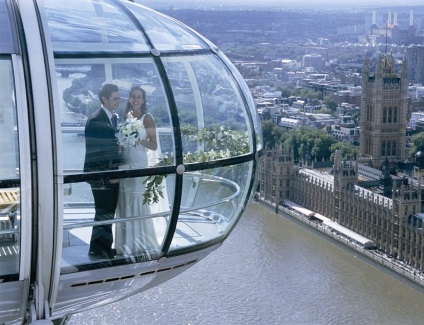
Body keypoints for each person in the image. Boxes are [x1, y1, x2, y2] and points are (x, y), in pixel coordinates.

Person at [115, 86, 159, 257]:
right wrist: (124, 140)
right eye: (133, 96)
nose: (136, 100)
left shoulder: (148, 119)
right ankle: (126, 242)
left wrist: (138, 139)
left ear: (143, 99)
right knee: (125, 198)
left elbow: (154, 145)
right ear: (129, 98)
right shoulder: (127, 116)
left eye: (139, 97)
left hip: (139, 161)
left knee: (138, 199)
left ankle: (140, 243)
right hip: (126, 160)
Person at [84, 83, 122, 260]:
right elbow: (100, 152)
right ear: (104, 99)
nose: (118, 102)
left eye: (119, 98)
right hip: (102, 175)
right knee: (104, 210)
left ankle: (102, 247)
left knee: (107, 210)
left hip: (108, 173)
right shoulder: (96, 120)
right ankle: (100, 248)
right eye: (115, 99)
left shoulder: (110, 117)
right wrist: (111, 175)